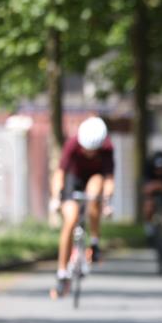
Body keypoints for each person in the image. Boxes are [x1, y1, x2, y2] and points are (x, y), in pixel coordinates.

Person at [49, 117, 115, 298]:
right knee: (70, 219)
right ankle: (62, 273)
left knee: (95, 193)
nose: (89, 153)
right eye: (86, 149)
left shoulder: (107, 148)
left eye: (93, 151)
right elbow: (60, 173)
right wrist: (56, 198)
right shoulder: (72, 144)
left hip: (95, 178)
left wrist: (107, 201)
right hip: (74, 180)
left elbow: (109, 178)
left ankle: (94, 242)